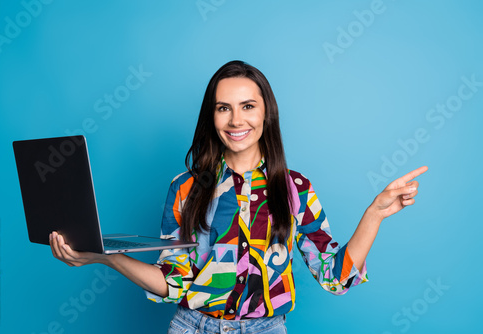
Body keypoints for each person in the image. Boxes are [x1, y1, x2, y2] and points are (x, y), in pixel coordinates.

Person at [50, 60, 428, 333]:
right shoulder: (185, 188)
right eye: (223, 108)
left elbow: (334, 277)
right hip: (192, 327)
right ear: (211, 117)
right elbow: (173, 282)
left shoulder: (295, 189)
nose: (236, 120)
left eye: (248, 106)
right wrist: (106, 257)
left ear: (267, 114)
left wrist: (374, 214)